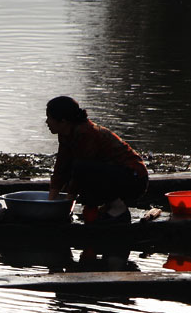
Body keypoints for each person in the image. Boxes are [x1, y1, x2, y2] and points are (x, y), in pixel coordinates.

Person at [46, 95, 149, 223]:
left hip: (134, 179)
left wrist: (66, 208)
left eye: (49, 118)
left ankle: (119, 208)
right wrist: (49, 204)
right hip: (113, 175)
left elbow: (80, 173)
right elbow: (60, 168)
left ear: (63, 121)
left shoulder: (86, 133)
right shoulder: (66, 134)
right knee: (75, 171)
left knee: (80, 168)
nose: (47, 122)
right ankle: (108, 207)